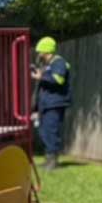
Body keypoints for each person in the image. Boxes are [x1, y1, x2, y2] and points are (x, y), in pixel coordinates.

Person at [31, 36, 72, 170]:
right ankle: (48, 159)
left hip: (55, 103)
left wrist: (41, 76)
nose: (38, 54)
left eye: (40, 51)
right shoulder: (48, 65)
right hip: (46, 104)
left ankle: (53, 161)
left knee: (51, 131)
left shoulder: (59, 63)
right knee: (44, 132)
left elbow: (58, 79)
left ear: (46, 51)